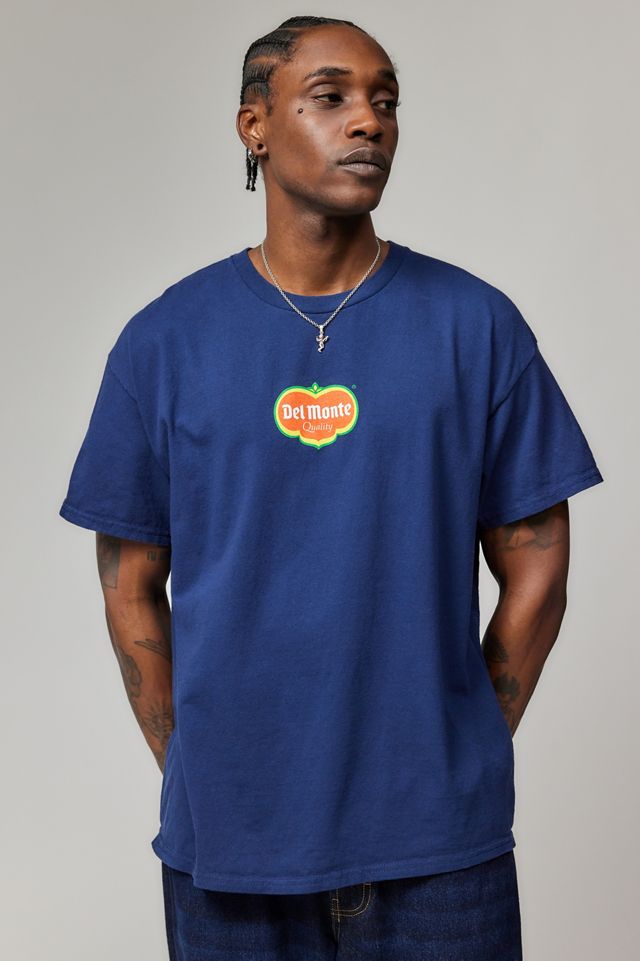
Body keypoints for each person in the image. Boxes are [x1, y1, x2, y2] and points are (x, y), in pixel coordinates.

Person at [58, 14, 604, 961]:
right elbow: (129, 582)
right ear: (255, 127)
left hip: (440, 853)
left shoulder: (477, 327)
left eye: (386, 100)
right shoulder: (163, 343)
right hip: (231, 853)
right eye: (332, 97)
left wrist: (465, 743)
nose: (369, 120)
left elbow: (539, 566)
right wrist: (198, 767)